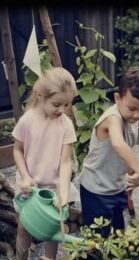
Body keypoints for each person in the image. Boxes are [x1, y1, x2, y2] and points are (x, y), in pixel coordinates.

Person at [79, 66, 139, 237]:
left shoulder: (131, 118)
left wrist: (129, 173)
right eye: (132, 108)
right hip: (96, 191)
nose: (136, 115)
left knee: (119, 234)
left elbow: (126, 149)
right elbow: (119, 145)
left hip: (116, 188)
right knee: (97, 241)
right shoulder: (112, 118)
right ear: (117, 98)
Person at [12, 67, 78, 260]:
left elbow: (65, 162)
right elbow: (17, 150)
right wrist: (25, 176)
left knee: (52, 229)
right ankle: (20, 257)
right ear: (40, 96)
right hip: (28, 187)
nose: (62, 110)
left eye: (67, 105)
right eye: (57, 104)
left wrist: (63, 194)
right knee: (24, 229)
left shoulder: (65, 125)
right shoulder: (27, 121)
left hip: (53, 187)